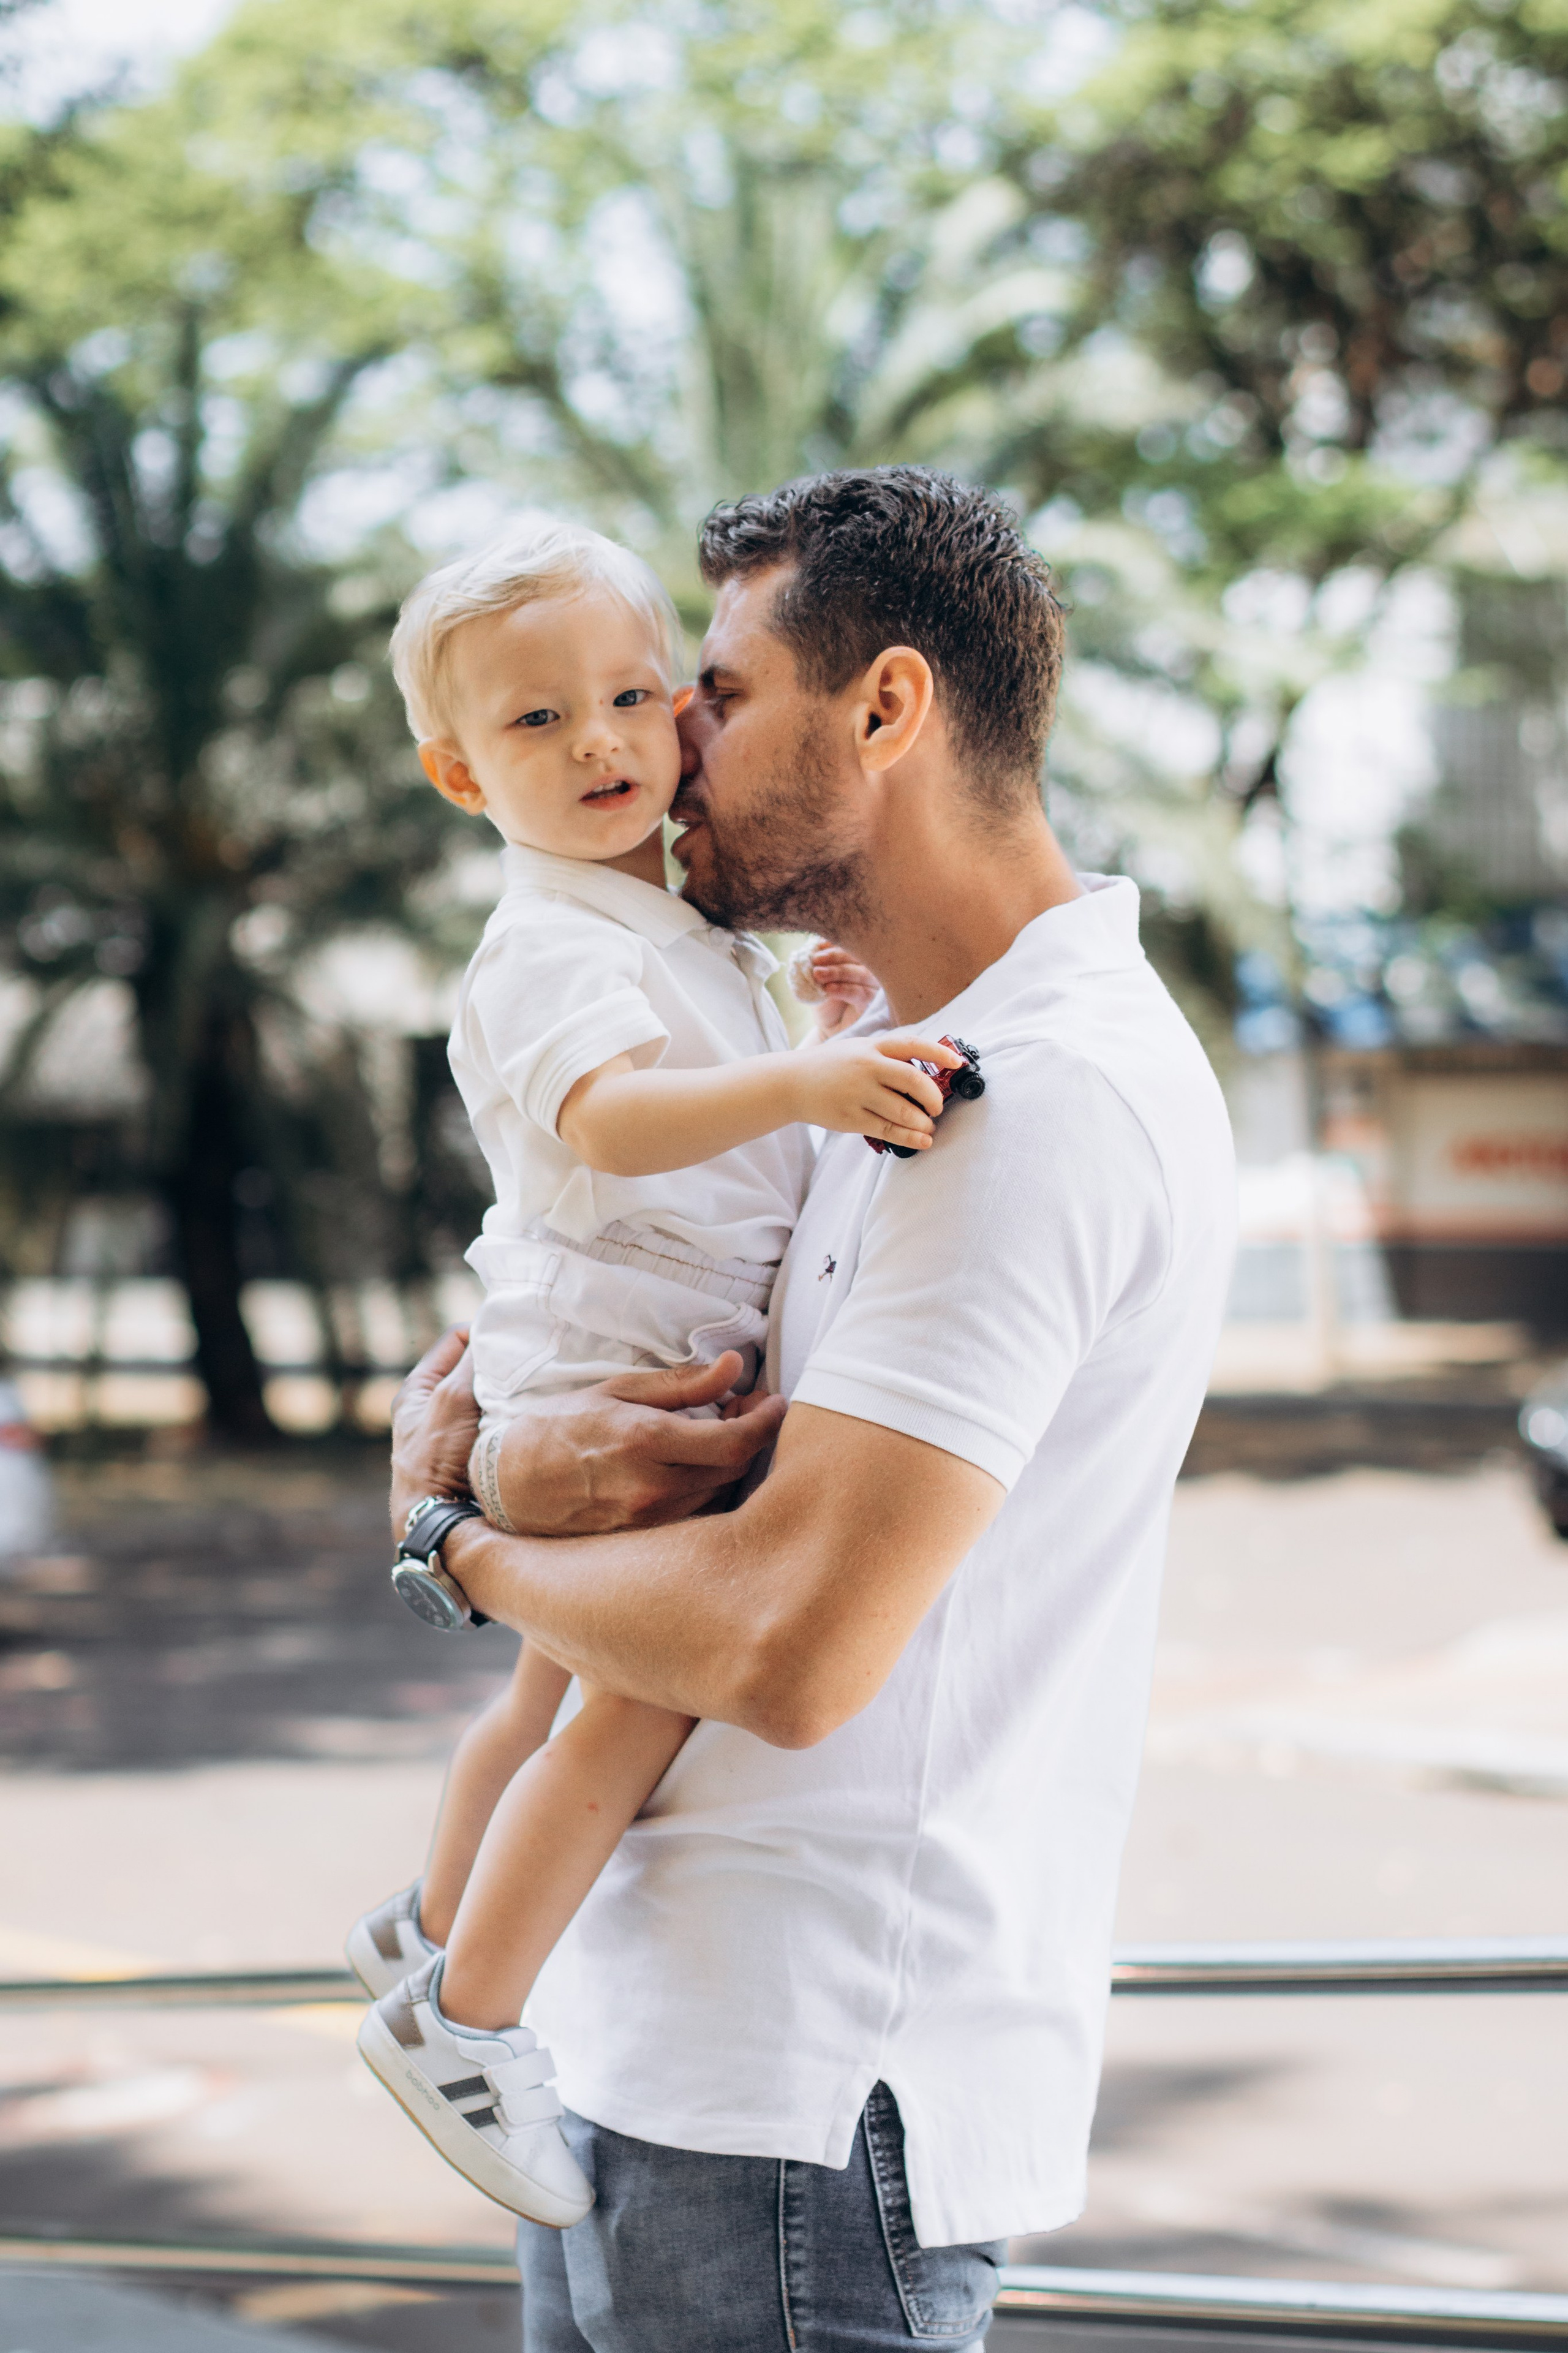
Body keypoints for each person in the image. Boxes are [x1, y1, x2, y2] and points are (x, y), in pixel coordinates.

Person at [388, 466, 1237, 2352]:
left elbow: (782, 1639)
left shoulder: (1041, 1097)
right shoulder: (872, 1064)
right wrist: (511, 1451)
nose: (668, 743)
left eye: (713, 690)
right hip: (647, 2060)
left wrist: (457, 1539)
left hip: (809, 2109)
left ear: (887, 710)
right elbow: (613, 1286)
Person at [347, 513, 962, 2227]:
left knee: (544, 1696)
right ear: (459, 775)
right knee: (619, 1710)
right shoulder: (547, 945)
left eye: (635, 693)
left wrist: (816, 1021)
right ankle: (468, 2019)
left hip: (618, 1358)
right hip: (617, 1365)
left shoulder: (668, 923)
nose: (606, 740)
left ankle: (429, 1926)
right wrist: (811, 1084)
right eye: (538, 723)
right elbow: (615, 1120)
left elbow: (722, 1065)